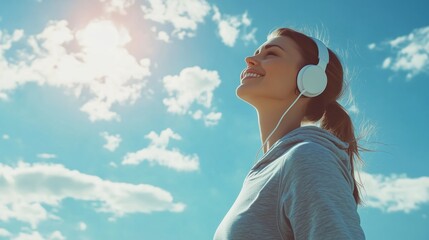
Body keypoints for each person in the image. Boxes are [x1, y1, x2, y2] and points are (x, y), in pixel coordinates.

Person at [213, 28, 366, 240]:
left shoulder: (308, 158)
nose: (250, 59)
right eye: (257, 52)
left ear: (310, 79)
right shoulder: (265, 172)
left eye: (272, 53)